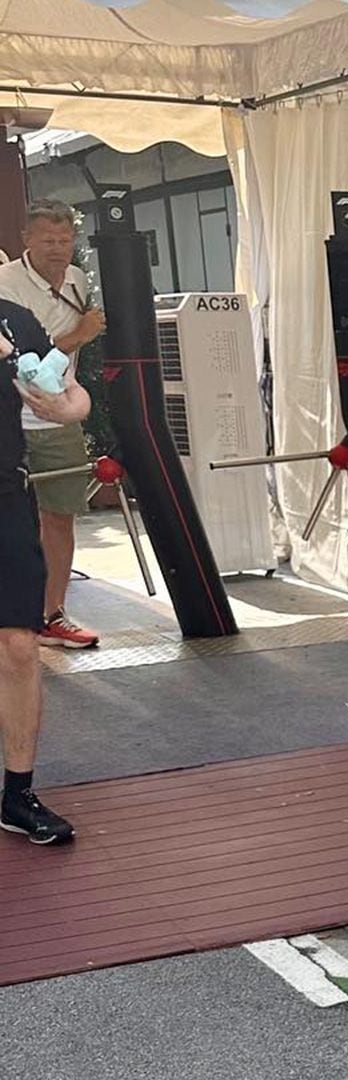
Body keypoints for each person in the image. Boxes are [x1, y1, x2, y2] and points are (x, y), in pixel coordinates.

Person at [0, 199, 108, 650]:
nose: (58, 249)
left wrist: (70, 404)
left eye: (65, 240)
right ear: (26, 239)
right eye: (48, 240)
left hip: (59, 413)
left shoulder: (78, 279)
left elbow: (54, 365)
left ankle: (52, 614)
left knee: (60, 515)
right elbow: (30, 355)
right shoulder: (8, 287)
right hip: (13, 419)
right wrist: (82, 333)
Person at [1, 297, 87, 844]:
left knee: (18, 644)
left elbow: (67, 388)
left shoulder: (13, 318)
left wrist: (69, 408)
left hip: (5, 493)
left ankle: (18, 794)